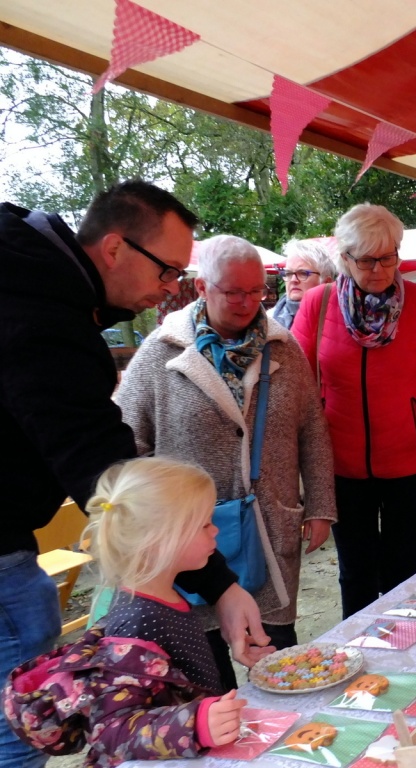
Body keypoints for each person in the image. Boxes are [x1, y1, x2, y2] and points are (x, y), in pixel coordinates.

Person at [0, 181, 267, 768]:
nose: (171, 287)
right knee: (13, 744)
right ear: (115, 247)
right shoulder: (39, 314)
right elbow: (102, 461)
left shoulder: (39, 289)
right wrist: (220, 583)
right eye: (167, 269)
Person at [115, 234, 336, 687]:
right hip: (188, 541)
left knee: (279, 656)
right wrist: (156, 521)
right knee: (208, 668)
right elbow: (124, 448)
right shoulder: (160, 353)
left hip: (270, 525)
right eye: (234, 292)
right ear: (201, 287)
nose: (247, 303)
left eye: (257, 290)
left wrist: (320, 506)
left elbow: (312, 431)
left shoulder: (285, 349)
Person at [291, 203, 416, 618]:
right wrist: (298, 467)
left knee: (404, 567)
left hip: (410, 462)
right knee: (355, 572)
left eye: (388, 257)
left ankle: (406, 640)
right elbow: (296, 392)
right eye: (366, 260)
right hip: (341, 465)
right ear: (345, 258)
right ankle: (357, 647)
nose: (379, 270)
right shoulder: (317, 305)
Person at [3, 457, 246, 766]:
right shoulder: (138, 621)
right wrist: (194, 724)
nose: (216, 530)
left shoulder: (161, 596)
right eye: (204, 524)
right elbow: (110, 731)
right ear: (160, 540)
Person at [270, 238, 338, 329]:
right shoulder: (268, 320)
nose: (293, 280)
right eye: (288, 273)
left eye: (303, 273)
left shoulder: (341, 322)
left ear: (326, 282)